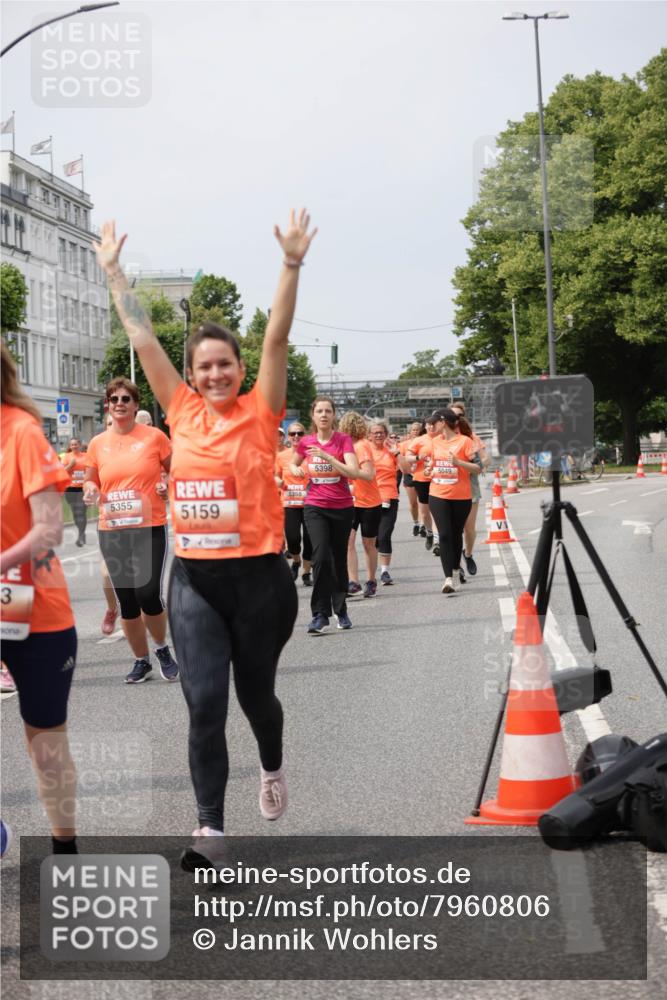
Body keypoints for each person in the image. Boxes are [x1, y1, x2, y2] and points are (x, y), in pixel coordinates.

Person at [94, 209, 316, 849]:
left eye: (225, 364)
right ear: (190, 376)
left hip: (260, 585)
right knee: (204, 704)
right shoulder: (180, 411)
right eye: (204, 367)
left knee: (258, 700)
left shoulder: (261, 412)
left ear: (240, 368)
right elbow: (142, 340)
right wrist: (115, 275)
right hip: (194, 582)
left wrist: (291, 264)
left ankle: (271, 765)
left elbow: (277, 336)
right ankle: (210, 825)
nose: (215, 374)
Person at [1, 340, 79, 855]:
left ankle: (64, 850)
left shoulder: (22, 432)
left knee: (45, 744)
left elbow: (49, 529)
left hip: (34, 609)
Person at [84, 376, 179, 684]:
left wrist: (167, 485)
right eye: (114, 399)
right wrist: (89, 490)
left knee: (148, 593)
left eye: (126, 399)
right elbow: (91, 480)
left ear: (136, 405)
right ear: (107, 405)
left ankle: (162, 648)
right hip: (112, 529)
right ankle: (141, 660)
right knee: (127, 600)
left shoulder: (154, 437)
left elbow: (175, 469)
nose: (120, 404)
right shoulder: (98, 444)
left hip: (149, 525)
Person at [292, 397, 369, 633]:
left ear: (334, 415)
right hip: (315, 505)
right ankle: (319, 614)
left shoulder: (343, 440)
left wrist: (328, 458)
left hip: (342, 507)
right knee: (321, 555)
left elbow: (354, 472)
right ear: (313, 415)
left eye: (328, 411)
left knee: (337, 559)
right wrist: (295, 469)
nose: (324, 415)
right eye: (319, 411)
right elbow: (293, 464)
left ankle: (341, 608)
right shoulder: (306, 442)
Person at [418, 408, 480, 594]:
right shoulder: (433, 442)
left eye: (433, 422)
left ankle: (455, 568)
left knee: (455, 534)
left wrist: (459, 463)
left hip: (461, 496)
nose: (430, 426)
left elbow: (477, 468)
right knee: (444, 535)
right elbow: (428, 463)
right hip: (438, 494)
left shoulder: (465, 441)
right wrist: (429, 470)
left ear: (443, 422)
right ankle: (448, 579)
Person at [338, 412, 382, 599]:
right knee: (348, 541)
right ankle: (353, 582)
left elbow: (369, 473)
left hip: (369, 501)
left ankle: (371, 580)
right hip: (350, 502)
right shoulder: (342, 447)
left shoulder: (362, 446)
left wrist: (349, 473)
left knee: (368, 543)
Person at [449, 401, 489, 577]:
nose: (455, 419)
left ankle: (468, 554)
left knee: (469, 528)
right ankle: (456, 566)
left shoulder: (471, 437)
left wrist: (478, 464)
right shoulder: (442, 438)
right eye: (452, 415)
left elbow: (485, 460)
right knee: (452, 530)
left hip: (469, 485)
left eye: (459, 415)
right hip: (447, 487)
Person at [369, 421, 407, 586]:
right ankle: (372, 570)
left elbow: (406, 470)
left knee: (384, 535)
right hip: (368, 500)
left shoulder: (391, 451)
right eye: (375, 433)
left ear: (386, 434)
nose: (378, 435)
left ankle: (384, 571)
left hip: (389, 498)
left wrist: (397, 453)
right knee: (373, 538)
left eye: (381, 432)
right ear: (369, 435)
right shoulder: (364, 451)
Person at [275, 421, 313, 586]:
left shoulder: (312, 454)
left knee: (310, 540)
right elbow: (276, 475)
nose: (296, 436)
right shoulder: (281, 456)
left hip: (311, 503)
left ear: (305, 436)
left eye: (300, 433)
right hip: (289, 503)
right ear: (288, 437)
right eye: (293, 434)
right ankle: (296, 560)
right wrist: (278, 482)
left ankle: (306, 572)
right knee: (292, 538)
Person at [406, 418, 440, 552]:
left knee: (437, 510)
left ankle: (438, 541)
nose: (431, 427)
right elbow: (408, 456)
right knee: (425, 514)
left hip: (438, 479)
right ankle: (430, 533)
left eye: (434, 425)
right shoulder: (419, 440)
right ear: (425, 427)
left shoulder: (442, 438)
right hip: (421, 479)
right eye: (429, 425)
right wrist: (417, 458)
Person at [61, 438, 89, 547]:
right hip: (71, 489)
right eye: (72, 445)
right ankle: (82, 533)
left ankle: (81, 536)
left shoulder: (86, 456)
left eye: (76, 444)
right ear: (70, 446)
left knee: (81, 511)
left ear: (80, 445)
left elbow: (91, 469)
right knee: (76, 514)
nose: (74, 446)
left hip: (83, 488)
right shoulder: (67, 457)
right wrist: (71, 465)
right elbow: (62, 472)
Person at [400, 421, 423, 535]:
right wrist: (405, 470)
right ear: (410, 432)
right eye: (413, 430)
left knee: (422, 501)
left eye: (417, 429)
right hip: (409, 474)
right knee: (413, 502)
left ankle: (424, 524)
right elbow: (400, 460)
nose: (415, 432)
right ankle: (416, 523)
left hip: (422, 473)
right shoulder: (404, 444)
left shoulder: (424, 442)